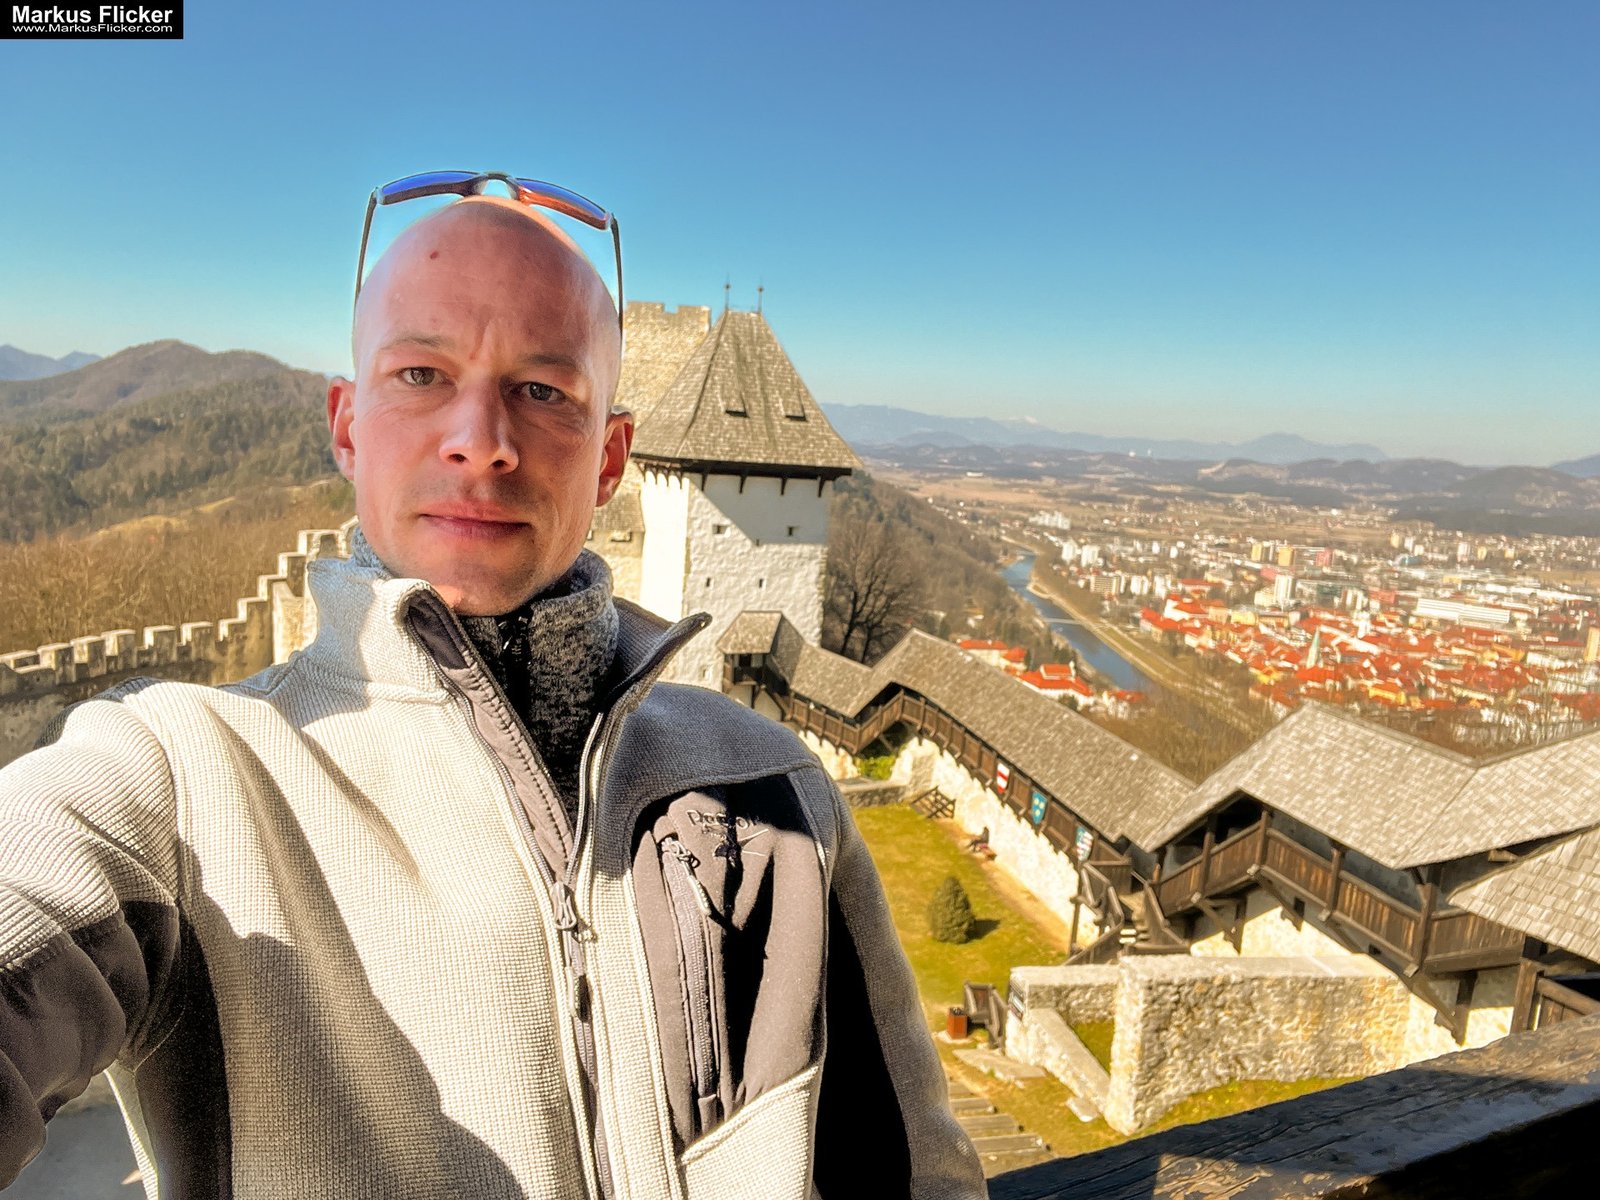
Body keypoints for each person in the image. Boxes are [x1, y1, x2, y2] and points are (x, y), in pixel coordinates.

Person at [0, 177, 987, 1199]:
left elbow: (916, 1173)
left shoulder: (775, 793)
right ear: (346, 426)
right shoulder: (182, 777)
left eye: (544, 389)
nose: (483, 438)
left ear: (611, 459)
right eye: (421, 373)